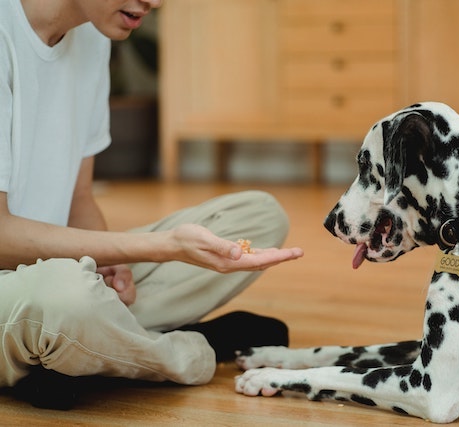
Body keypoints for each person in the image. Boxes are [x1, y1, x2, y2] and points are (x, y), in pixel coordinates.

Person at [0, 0, 304, 410]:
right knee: (67, 298)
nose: (156, 2)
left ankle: (81, 351)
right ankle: (192, 352)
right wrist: (164, 246)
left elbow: (80, 198)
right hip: (28, 289)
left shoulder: (92, 34)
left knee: (258, 215)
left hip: (55, 272)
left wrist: (110, 265)